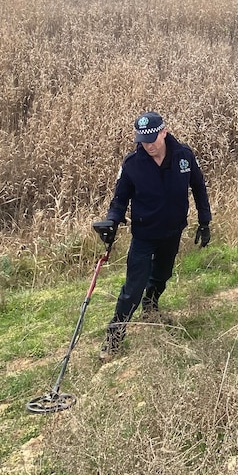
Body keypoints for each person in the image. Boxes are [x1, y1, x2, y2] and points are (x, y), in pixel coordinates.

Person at [97, 111, 212, 361]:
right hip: (144, 233)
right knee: (132, 288)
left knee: (162, 275)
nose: (148, 145)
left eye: (152, 138)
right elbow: (119, 200)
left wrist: (205, 221)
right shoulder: (132, 164)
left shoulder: (184, 156)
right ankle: (114, 337)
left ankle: (151, 306)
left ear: (163, 132)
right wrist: (111, 222)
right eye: (142, 139)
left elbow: (199, 187)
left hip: (172, 230)